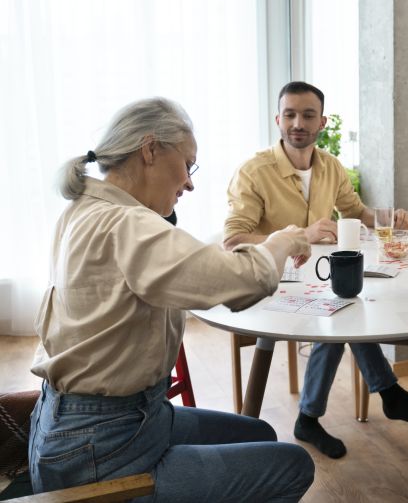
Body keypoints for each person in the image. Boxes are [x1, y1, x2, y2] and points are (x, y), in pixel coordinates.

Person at [29, 98, 315, 501]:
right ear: (150, 150)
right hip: (105, 445)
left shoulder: (85, 209)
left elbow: (180, 266)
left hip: (96, 423)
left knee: (258, 432)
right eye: (187, 164)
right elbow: (246, 280)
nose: (190, 182)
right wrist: (284, 239)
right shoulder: (128, 225)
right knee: (293, 465)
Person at [224, 81, 408, 459]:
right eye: (289, 114)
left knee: (348, 301)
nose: (298, 123)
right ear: (278, 119)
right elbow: (233, 240)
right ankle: (357, 402)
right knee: (337, 314)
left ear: (322, 122)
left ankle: (372, 398)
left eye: (308, 115)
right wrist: (298, 235)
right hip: (271, 284)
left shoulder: (330, 166)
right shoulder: (254, 172)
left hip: (315, 282)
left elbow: (357, 213)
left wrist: (390, 217)